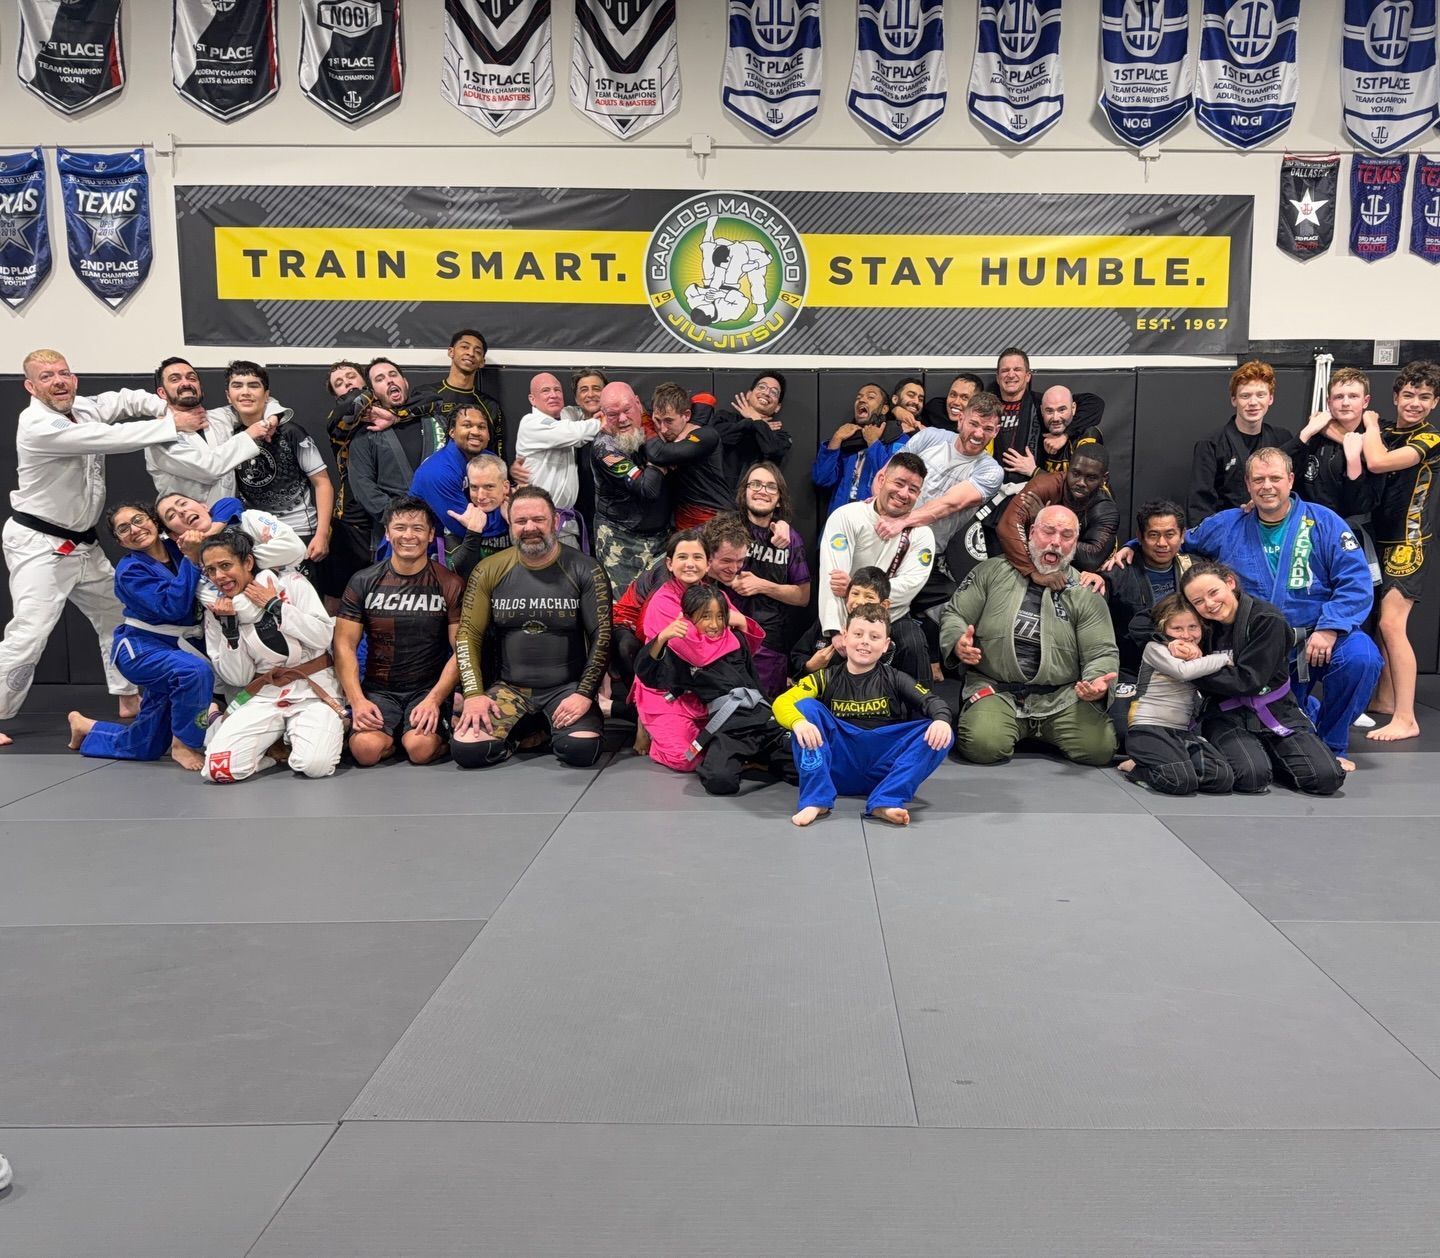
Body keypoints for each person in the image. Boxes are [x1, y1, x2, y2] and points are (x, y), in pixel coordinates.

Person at [1112, 448, 1382, 771]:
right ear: (1248, 485)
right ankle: (1304, 716)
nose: (1267, 486)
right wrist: (1131, 547)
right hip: (1255, 647)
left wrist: (1331, 626)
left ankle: (1333, 741)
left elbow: (1356, 581)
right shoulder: (1229, 523)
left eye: (1275, 478)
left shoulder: (1324, 523)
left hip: (1314, 638)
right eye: (1259, 479)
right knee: (1278, 722)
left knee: (1361, 656)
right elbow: (1176, 540)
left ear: (1291, 480)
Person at [0, 349, 206, 746]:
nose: (58, 381)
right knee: (30, 631)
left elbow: (125, 400)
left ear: (74, 378)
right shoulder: (36, 425)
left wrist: (159, 402)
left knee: (117, 615)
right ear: (30, 386)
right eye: (46, 377)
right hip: (40, 544)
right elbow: (108, 438)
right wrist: (171, 423)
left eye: (63, 373)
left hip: (83, 543)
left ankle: (127, 695)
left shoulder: (83, 407)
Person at [940, 505, 1120, 767]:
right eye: (1048, 532)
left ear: (1076, 543)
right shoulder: (991, 571)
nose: (1055, 542)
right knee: (984, 746)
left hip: (1061, 697)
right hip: (998, 688)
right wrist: (957, 642)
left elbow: (1101, 651)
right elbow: (955, 614)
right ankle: (996, 719)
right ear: (1032, 532)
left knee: (1099, 749)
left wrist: (1095, 683)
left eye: (1066, 536)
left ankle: (1045, 727)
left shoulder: (1084, 591)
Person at [452, 487, 612, 769]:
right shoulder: (488, 569)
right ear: (510, 526)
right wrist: (474, 695)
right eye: (520, 521)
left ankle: (546, 731)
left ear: (555, 522)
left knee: (580, 750)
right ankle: (522, 735)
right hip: (509, 689)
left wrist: (585, 694)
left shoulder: (586, 569)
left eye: (538, 519)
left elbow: (602, 636)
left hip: (566, 689)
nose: (530, 528)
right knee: (468, 752)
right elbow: (468, 636)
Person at [774, 602, 954, 828]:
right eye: (858, 634)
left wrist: (941, 721)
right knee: (807, 708)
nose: (865, 641)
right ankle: (816, 799)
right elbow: (783, 702)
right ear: (845, 636)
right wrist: (798, 722)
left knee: (940, 731)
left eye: (874, 637)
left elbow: (933, 702)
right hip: (836, 767)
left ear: (886, 644)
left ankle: (886, 800)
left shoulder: (896, 678)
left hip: (882, 770)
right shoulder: (825, 677)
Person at [65, 502, 212, 770]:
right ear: (120, 541)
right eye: (124, 528)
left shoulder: (176, 547)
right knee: (195, 672)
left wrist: (211, 526)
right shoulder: (130, 570)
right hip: (142, 650)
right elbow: (173, 606)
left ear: (154, 521)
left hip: (176, 648)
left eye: (138, 519)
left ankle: (87, 727)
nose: (135, 529)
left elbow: (229, 506)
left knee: (145, 746)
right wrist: (192, 559)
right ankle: (184, 745)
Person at [1179, 560, 1344, 796]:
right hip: (1226, 713)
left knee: (1327, 777)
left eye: (1213, 592)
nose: (1209, 604)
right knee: (1251, 778)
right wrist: (1175, 646)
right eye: (1198, 602)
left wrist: (1192, 670)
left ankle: (1272, 754)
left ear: (1230, 583)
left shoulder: (1267, 620)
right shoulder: (1198, 626)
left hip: (1276, 708)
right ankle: (1258, 758)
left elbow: (1248, 681)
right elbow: (1151, 621)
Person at [199, 531, 344, 782]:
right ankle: (270, 748)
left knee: (315, 765)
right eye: (210, 571)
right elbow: (238, 677)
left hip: (312, 687)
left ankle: (292, 737)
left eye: (225, 565)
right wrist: (230, 630)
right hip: (265, 693)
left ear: (247, 563)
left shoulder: (290, 582)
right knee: (218, 771)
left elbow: (322, 636)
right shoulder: (217, 612)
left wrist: (275, 606)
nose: (219, 577)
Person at [334, 496, 464, 767]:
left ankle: (430, 731)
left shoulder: (449, 583)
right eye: (400, 527)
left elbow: (460, 650)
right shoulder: (363, 581)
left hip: (427, 689)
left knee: (420, 749)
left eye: (417, 528)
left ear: (430, 535)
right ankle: (392, 738)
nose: (408, 535)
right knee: (365, 751)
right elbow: (344, 645)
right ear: (387, 533)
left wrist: (435, 699)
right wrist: (357, 701)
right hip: (379, 691)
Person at [636, 582, 793, 794]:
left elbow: (754, 681)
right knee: (719, 781)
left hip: (761, 721)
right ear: (689, 617)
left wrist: (774, 718)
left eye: (720, 616)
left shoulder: (736, 639)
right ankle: (749, 758)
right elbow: (650, 675)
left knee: (803, 768)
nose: (714, 624)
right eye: (706, 616)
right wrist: (662, 637)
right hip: (729, 728)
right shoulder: (683, 650)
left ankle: (759, 758)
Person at [633, 523, 759, 769]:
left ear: (708, 563)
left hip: (708, 691)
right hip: (667, 690)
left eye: (697, 557)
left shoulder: (715, 595)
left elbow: (745, 645)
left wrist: (742, 620)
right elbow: (699, 654)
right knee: (688, 758)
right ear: (669, 564)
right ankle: (651, 728)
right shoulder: (662, 601)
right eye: (682, 557)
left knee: (736, 748)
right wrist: (729, 629)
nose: (690, 563)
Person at [1360, 360, 1440, 741]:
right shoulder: (1390, 430)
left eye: (1424, 397)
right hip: (1377, 538)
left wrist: (1370, 424)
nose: (1415, 403)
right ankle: (1386, 699)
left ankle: (1406, 718)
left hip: (1408, 545)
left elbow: (1377, 462)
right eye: (1409, 395)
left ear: (1435, 402)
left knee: (1393, 624)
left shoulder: (1430, 440)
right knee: (1379, 625)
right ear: (1396, 396)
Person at [817, 452, 934, 677]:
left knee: (913, 643)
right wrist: (835, 630)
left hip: (893, 617)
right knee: (829, 658)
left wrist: (855, 587)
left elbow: (911, 584)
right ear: (881, 480)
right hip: (845, 614)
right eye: (899, 483)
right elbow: (832, 578)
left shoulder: (922, 535)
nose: (903, 493)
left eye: (912, 489)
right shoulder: (847, 516)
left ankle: (924, 712)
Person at [1118, 594, 1236, 796]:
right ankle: (1137, 767)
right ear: (1163, 630)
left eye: (1192, 627)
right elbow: (1183, 671)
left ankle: (1170, 763)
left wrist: (1206, 656)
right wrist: (1224, 657)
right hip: (1149, 727)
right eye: (1177, 628)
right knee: (1179, 782)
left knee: (1222, 777)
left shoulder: (1200, 652)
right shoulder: (1154, 648)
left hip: (1181, 731)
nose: (1186, 635)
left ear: (1202, 627)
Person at [226, 361, 334, 567]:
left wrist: (322, 534)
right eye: (238, 385)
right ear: (228, 395)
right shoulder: (227, 435)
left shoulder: (291, 431)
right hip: (254, 534)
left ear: (267, 395)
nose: (246, 392)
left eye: (254, 385)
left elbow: (323, 483)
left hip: (300, 530)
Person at [1103, 499, 1193, 729]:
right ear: (1140, 537)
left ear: (1182, 535)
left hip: (1187, 671)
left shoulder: (1195, 572)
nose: (1162, 543)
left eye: (1170, 534)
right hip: (1131, 671)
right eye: (1153, 535)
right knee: (1126, 730)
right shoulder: (1118, 573)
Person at [728, 462, 810, 697]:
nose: (762, 490)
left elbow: (803, 596)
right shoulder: (726, 528)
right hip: (727, 635)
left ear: (780, 499)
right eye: (755, 484)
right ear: (744, 492)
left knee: (764, 711)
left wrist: (762, 585)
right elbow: (700, 564)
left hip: (770, 642)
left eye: (771, 487)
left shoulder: (790, 539)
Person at [145, 356, 274, 504]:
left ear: (200, 387)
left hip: (229, 519)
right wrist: (248, 435)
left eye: (191, 378)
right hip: (188, 522)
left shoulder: (220, 417)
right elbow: (208, 469)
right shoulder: (159, 436)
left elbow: (266, 401)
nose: (186, 383)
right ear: (162, 393)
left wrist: (273, 418)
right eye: (175, 379)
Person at [1189, 360, 1293, 523]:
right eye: (1245, 396)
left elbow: (1292, 490)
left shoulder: (1282, 439)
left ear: (1270, 399)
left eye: (1261, 395)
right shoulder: (1211, 444)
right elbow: (1200, 506)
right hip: (1227, 530)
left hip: (1275, 529)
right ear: (1234, 400)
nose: (1253, 402)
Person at [590, 381, 670, 594]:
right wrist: (660, 459)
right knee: (624, 610)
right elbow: (648, 490)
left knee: (660, 607)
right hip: (622, 541)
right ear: (604, 415)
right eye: (614, 414)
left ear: (638, 404)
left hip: (661, 539)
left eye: (627, 410)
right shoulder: (605, 449)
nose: (623, 419)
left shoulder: (652, 423)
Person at [998, 448, 1119, 581]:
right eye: (1076, 473)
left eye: (1091, 478)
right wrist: (1031, 572)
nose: (1081, 483)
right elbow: (1007, 525)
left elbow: (1091, 559)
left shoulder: (1105, 510)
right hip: (1033, 564)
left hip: (1076, 576)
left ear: (1104, 479)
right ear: (1068, 468)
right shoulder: (1045, 485)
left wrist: (1043, 522)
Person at [514, 371, 601, 545]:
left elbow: (583, 410)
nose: (553, 395)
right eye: (546, 391)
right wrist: (604, 421)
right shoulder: (530, 423)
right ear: (532, 399)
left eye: (557, 390)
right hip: (538, 522)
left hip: (567, 522)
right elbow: (575, 433)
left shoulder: (566, 415)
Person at [155, 492, 307, 589]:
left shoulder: (249, 519)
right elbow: (242, 610)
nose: (181, 511)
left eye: (183, 503)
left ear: (204, 506)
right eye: (171, 515)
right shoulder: (193, 566)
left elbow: (295, 548)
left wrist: (234, 566)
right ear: (174, 535)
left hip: (295, 599)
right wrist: (271, 562)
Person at [1289, 366, 1378, 525]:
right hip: (1309, 525)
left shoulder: (1373, 442)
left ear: (1365, 401)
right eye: (1338, 397)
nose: (1345, 402)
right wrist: (1306, 433)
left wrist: (1354, 463)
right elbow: (1282, 469)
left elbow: (1362, 504)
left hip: (1351, 530)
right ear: (1328, 402)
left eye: (1353, 396)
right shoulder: (1314, 437)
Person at [409, 402, 496, 552]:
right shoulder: (438, 471)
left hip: (455, 548)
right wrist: (511, 516)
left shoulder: (491, 460)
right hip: (417, 553)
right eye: (467, 425)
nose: (475, 431)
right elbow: (467, 528)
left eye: (482, 427)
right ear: (452, 432)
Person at [646, 382, 732, 530]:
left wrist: (648, 429)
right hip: (683, 521)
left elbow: (658, 454)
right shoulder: (672, 428)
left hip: (714, 520)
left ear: (686, 415)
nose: (663, 429)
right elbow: (641, 404)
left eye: (669, 421)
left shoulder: (706, 435)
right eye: (657, 420)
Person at [790, 566, 897, 678]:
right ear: (846, 596)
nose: (860, 601)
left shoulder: (884, 639)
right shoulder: (826, 623)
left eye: (869, 597)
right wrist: (810, 666)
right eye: (855, 593)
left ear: (884, 605)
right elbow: (797, 655)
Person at [812, 382, 897, 516]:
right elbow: (822, 479)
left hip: (876, 521)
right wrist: (836, 439)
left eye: (870, 397)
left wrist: (873, 443)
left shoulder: (896, 438)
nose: (862, 400)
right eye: (859, 397)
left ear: (884, 409)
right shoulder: (847, 440)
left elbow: (893, 480)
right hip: (840, 520)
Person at [703, 371, 793, 485]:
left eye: (774, 392)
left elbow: (771, 449)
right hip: (717, 495)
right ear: (749, 394)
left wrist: (756, 419)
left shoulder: (780, 436)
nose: (766, 393)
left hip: (756, 497)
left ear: (777, 407)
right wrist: (750, 423)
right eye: (762, 387)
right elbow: (715, 438)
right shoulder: (724, 417)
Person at [433, 328, 505, 459]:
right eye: (465, 347)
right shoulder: (426, 394)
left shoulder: (490, 406)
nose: (471, 353)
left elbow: (498, 456)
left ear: (482, 362)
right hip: (434, 476)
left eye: (477, 351)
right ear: (451, 352)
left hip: (476, 477)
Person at [1007, 385, 1105, 477]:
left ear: (1073, 408)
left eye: (1062, 410)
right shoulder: (1041, 427)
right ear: (1042, 411)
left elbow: (1080, 485)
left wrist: (1034, 471)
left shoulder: (1088, 434)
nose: (1055, 418)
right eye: (1049, 411)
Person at [445, 453, 513, 582]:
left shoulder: (523, 513)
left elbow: (537, 562)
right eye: (474, 487)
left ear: (505, 487)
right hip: (474, 592)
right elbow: (456, 571)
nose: (481, 496)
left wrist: (514, 523)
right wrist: (473, 532)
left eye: (489, 487)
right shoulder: (461, 515)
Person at [919, 371, 984, 432]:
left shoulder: (981, 426)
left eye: (965, 397)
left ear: (976, 404)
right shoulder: (934, 408)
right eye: (953, 395)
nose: (956, 402)